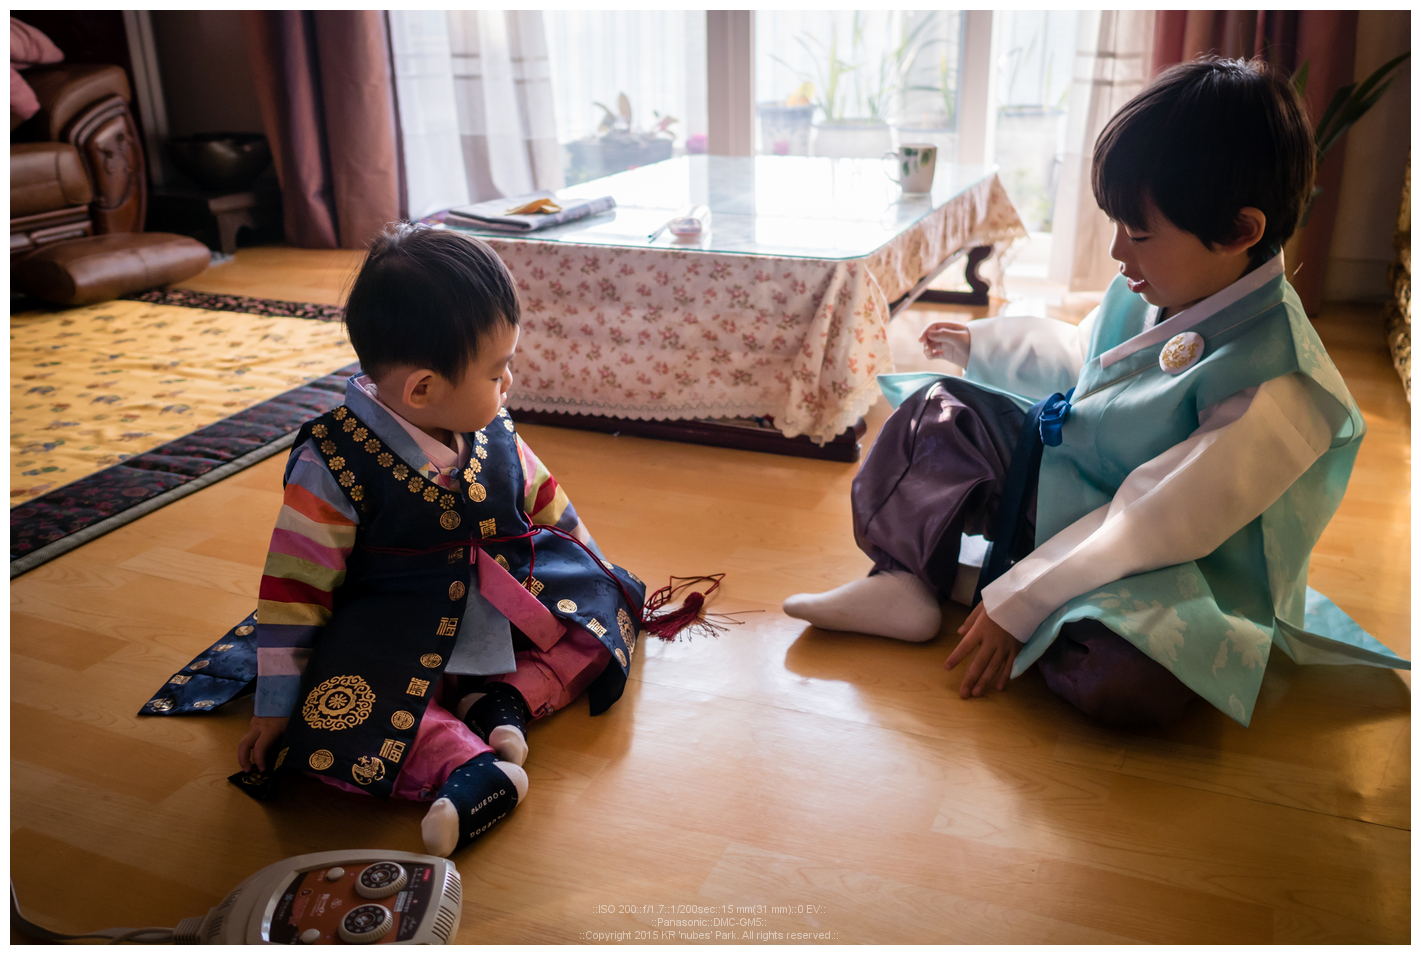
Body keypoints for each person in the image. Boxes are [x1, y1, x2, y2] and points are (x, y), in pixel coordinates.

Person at [784, 57, 1408, 726]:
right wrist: (983, 346)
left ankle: (984, 583)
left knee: (1132, 679)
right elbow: (1085, 356)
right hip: (1069, 490)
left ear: (1237, 233)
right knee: (935, 413)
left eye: (1138, 233)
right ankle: (906, 579)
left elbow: (1157, 517)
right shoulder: (1159, 279)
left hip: (1164, 559)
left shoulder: (1277, 379)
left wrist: (1021, 601)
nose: (1117, 252)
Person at [150, 224, 646, 857]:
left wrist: (598, 576)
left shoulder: (491, 429)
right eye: (497, 371)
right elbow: (295, 591)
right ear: (423, 389)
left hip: (502, 608)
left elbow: (551, 507)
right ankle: (469, 769)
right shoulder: (331, 463)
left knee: (603, 612)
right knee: (333, 713)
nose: (509, 382)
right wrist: (274, 708)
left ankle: (504, 700)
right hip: (390, 637)